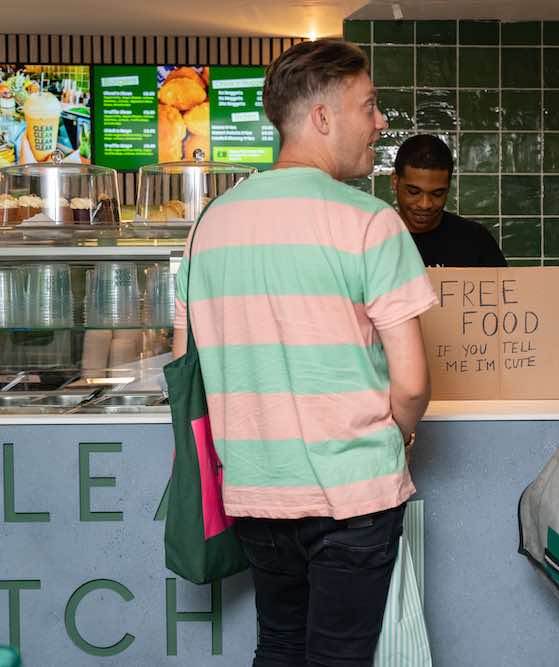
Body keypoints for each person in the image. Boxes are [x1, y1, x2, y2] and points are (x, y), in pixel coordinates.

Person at [171, 39, 437, 666]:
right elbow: (413, 382)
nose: (380, 123)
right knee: (340, 656)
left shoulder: (209, 224)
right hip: (354, 495)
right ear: (322, 117)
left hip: (256, 493)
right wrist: (400, 433)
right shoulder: (371, 222)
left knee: (280, 644)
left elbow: (187, 368)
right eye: (369, 107)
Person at [391, 134, 506, 267]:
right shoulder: (374, 238)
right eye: (414, 192)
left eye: (437, 194)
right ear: (395, 181)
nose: (425, 204)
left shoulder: (475, 240)